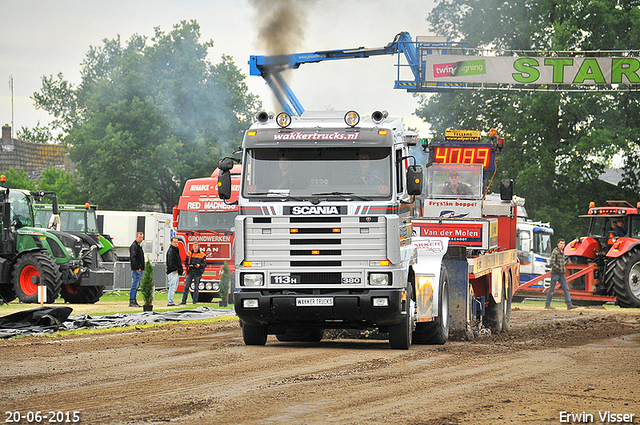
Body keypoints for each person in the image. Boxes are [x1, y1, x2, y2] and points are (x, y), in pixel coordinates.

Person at [545, 238, 578, 310]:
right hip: (555, 273)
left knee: (566, 288)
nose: (562, 245)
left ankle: (569, 305)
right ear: (558, 244)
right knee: (552, 289)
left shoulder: (563, 252)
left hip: (561, 274)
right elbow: (552, 263)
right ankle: (547, 304)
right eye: (561, 243)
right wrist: (560, 269)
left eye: (563, 243)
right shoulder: (555, 252)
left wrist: (563, 269)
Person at [165, 237, 183, 306]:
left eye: (177, 242)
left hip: (175, 271)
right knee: (172, 286)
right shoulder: (171, 251)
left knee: (174, 287)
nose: (176, 243)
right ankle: (170, 301)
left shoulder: (175, 250)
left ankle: (171, 300)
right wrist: (175, 269)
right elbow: (170, 262)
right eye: (174, 242)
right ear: (171, 242)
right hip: (173, 272)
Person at [129, 232, 145, 307]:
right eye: (139, 237)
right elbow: (133, 258)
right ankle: (132, 300)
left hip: (139, 268)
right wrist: (137, 267)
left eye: (142, 237)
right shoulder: (134, 246)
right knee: (135, 285)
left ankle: (134, 300)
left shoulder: (139, 246)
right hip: (137, 269)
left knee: (137, 285)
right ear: (136, 237)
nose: (141, 239)